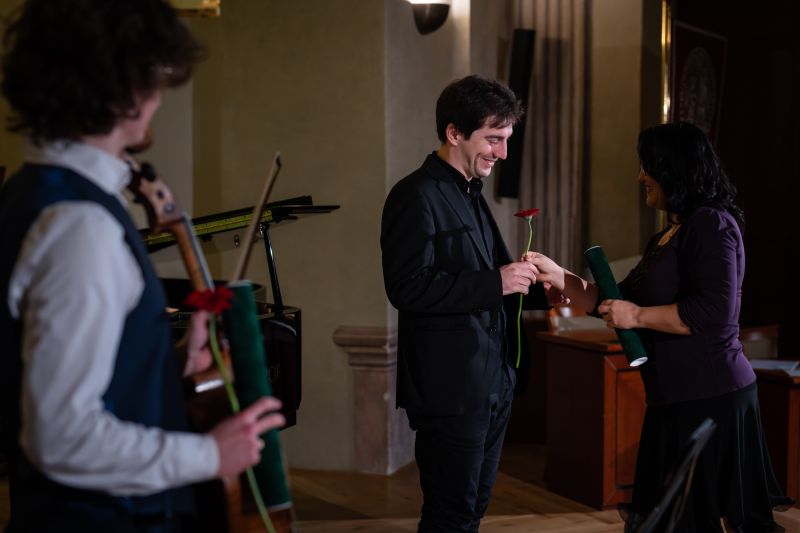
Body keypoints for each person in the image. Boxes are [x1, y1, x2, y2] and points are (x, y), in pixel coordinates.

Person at [0, 1, 284, 531]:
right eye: (155, 73)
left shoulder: (33, 192)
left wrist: (164, 365)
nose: (160, 94)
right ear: (122, 85)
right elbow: (61, 436)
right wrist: (210, 455)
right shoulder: (81, 226)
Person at [527, 121, 791, 531]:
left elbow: (713, 311)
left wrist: (636, 316)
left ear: (675, 169)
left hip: (712, 396)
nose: (640, 176)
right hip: (672, 398)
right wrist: (557, 274)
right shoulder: (668, 235)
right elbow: (611, 302)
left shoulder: (712, 223)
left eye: (647, 166)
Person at [381, 74, 549, 532]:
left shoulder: (471, 192)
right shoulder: (415, 195)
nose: (503, 152)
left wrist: (537, 287)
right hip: (451, 389)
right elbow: (407, 288)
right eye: (493, 138)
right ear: (454, 132)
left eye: (506, 138)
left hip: (492, 382)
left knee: (472, 510)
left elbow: (484, 278)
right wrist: (496, 281)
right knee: (449, 516)